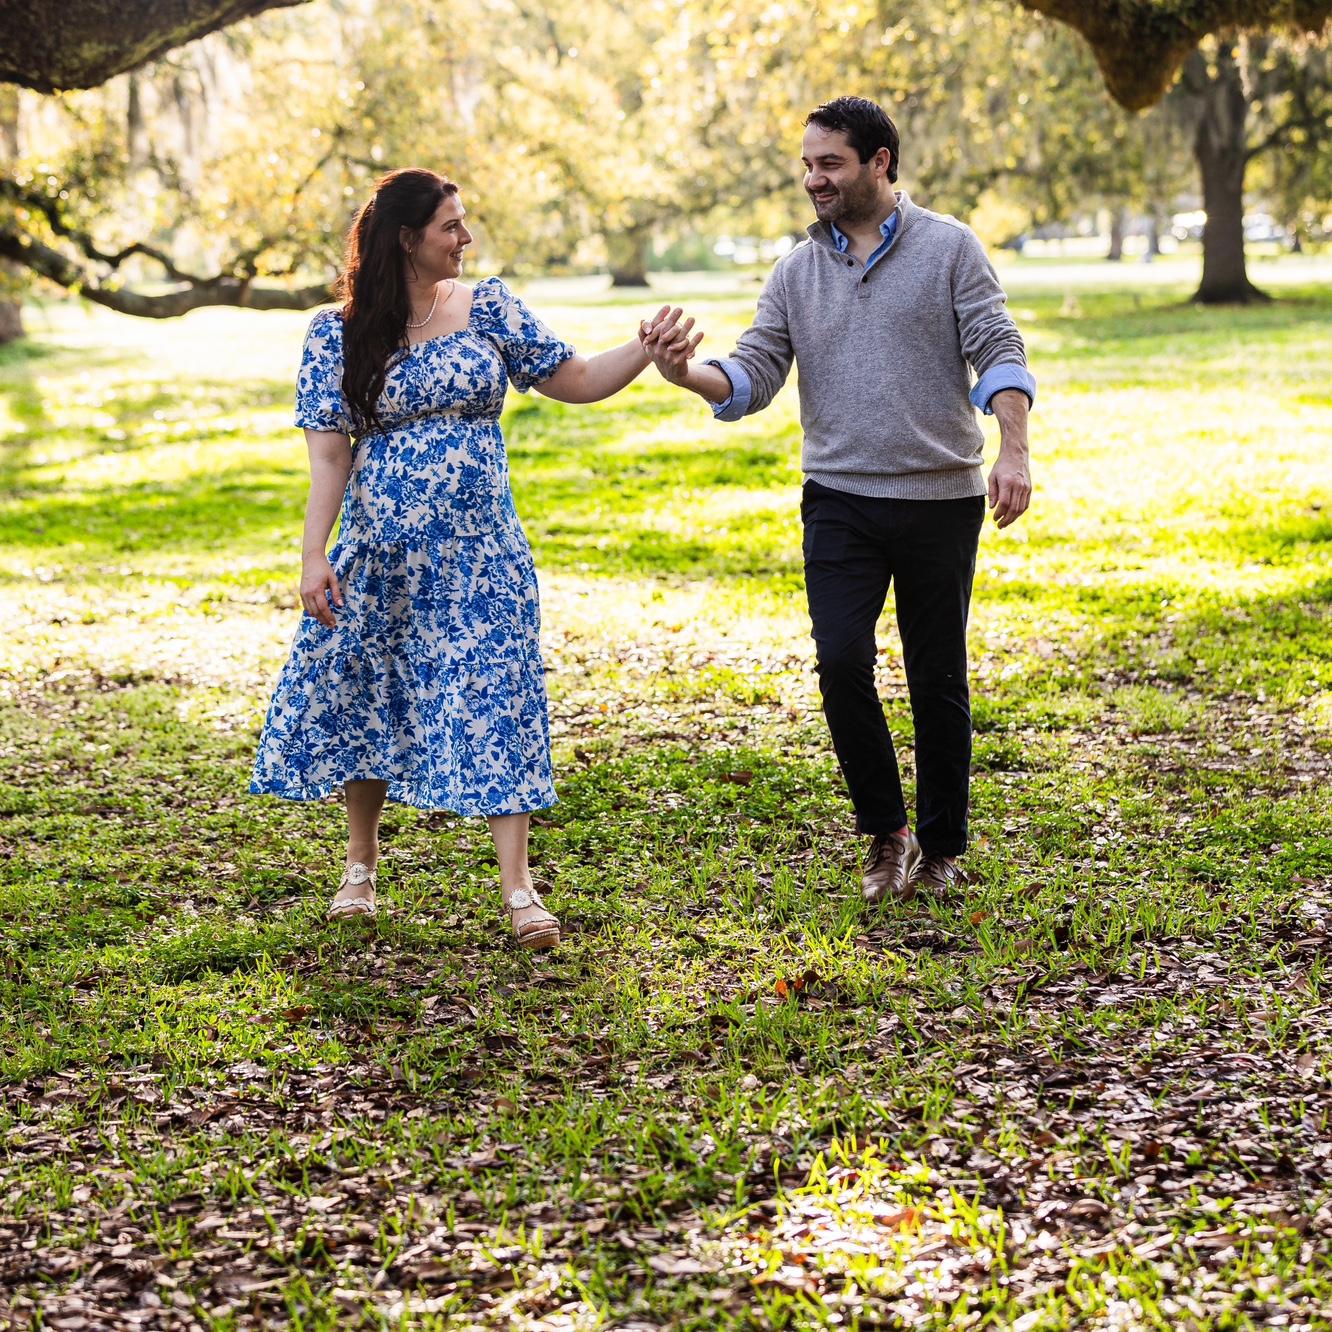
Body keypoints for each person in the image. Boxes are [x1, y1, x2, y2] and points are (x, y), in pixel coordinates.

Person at [251, 167, 690, 946]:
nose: (467, 237)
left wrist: (646, 348)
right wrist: (314, 555)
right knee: (372, 695)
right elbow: (328, 456)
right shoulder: (335, 332)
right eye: (451, 226)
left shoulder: (489, 307)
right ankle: (360, 867)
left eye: (464, 222)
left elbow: (577, 378)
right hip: (382, 552)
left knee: (498, 697)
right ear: (406, 239)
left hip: (482, 553)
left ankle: (519, 890)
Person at [641, 96, 1034, 903]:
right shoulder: (796, 270)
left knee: (936, 676)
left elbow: (997, 346)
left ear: (879, 162)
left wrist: (1014, 449)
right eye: (808, 165)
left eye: (830, 164)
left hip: (940, 498)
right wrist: (687, 375)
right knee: (841, 661)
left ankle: (942, 847)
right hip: (840, 499)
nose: (814, 180)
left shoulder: (950, 248)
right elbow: (753, 372)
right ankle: (887, 833)